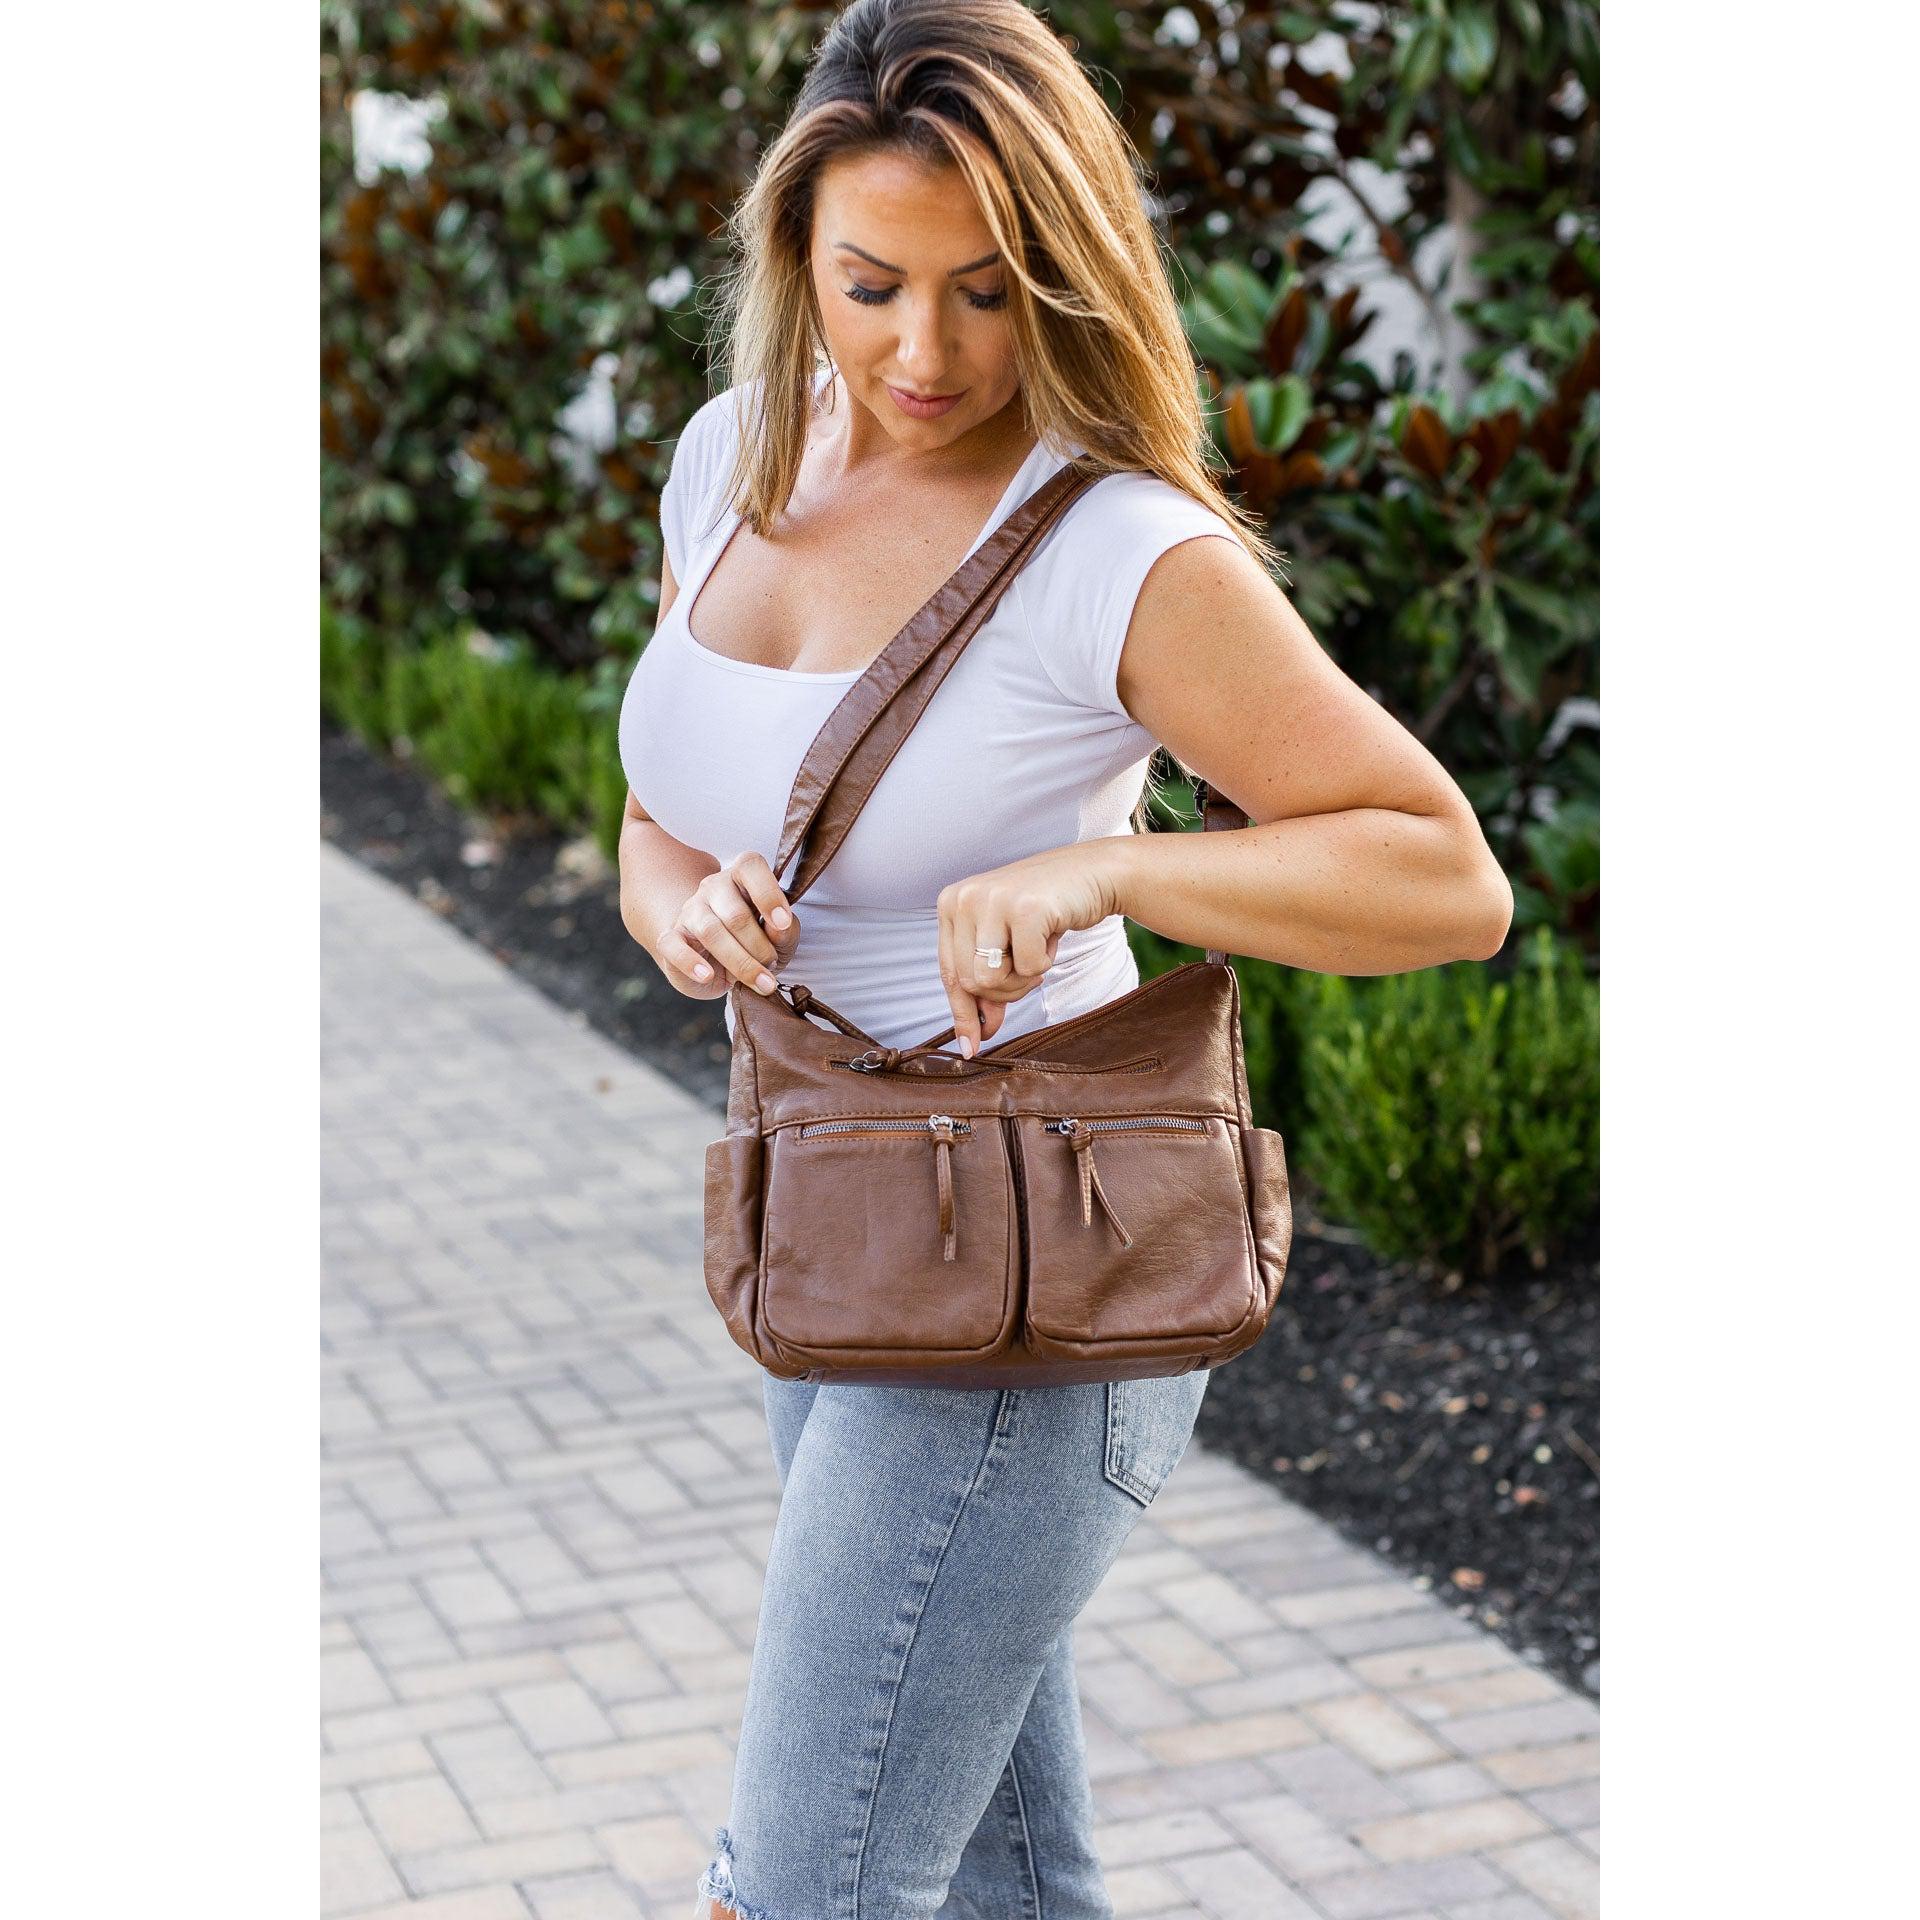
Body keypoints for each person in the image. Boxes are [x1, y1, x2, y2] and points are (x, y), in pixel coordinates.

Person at [614, 3, 1513, 1914]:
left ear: (1067, 272)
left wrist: (1107, 870)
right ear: (795, 252)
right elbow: (662, 813)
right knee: (1011, 1890)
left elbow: (1445, 876)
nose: (924, 355)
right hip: (832, 1220)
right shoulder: (729, 461)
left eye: (990, 291)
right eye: (871, 285)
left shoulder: (1114, 548)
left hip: (1035, 1281)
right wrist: (682, 912)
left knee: (803, 1888)